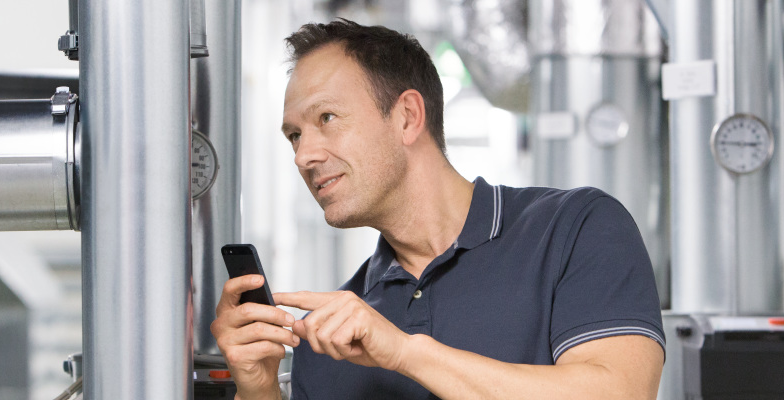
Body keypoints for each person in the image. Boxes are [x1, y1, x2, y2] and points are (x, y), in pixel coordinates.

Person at [211, 19, 664, 399]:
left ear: (408, 116)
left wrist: (405, 352)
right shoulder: (326, 341)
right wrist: (259, 390)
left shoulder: (575, 228)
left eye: (326, 118)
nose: (303, 156)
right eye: (294, 135)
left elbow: (620, 392)